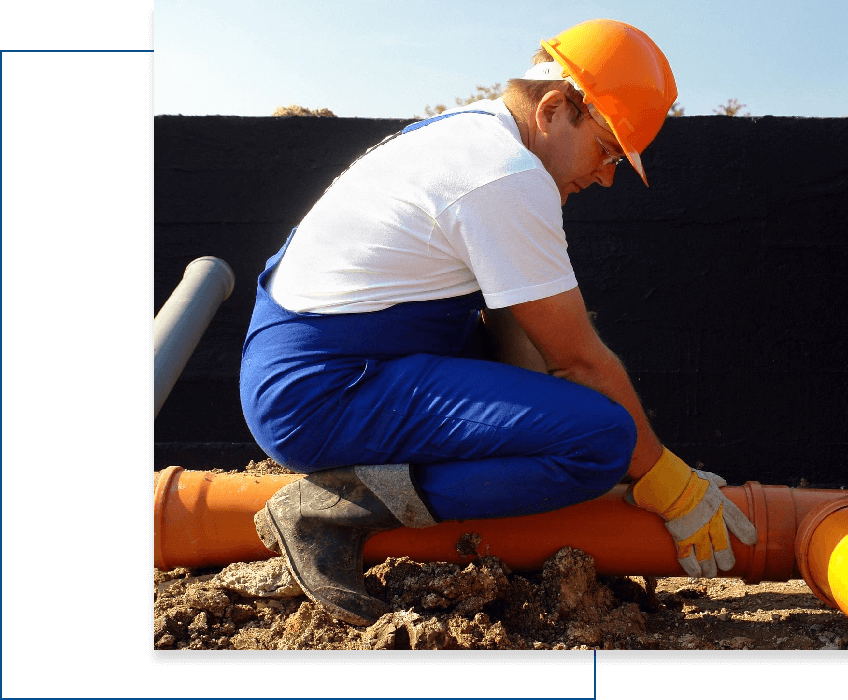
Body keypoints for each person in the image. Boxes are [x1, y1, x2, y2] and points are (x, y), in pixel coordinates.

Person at [240, 19, 757, 626]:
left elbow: (518, 329)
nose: (606, 175)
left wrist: (554, 463)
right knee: (601, 439)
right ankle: (333, 508)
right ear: (556, 107)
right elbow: (580, 361)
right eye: (607, 148)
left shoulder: (473, 138)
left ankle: (486, 497)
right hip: (323, 390)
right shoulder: (505, 173)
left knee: (581, 421)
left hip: (338, 359)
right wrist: (666, 481)